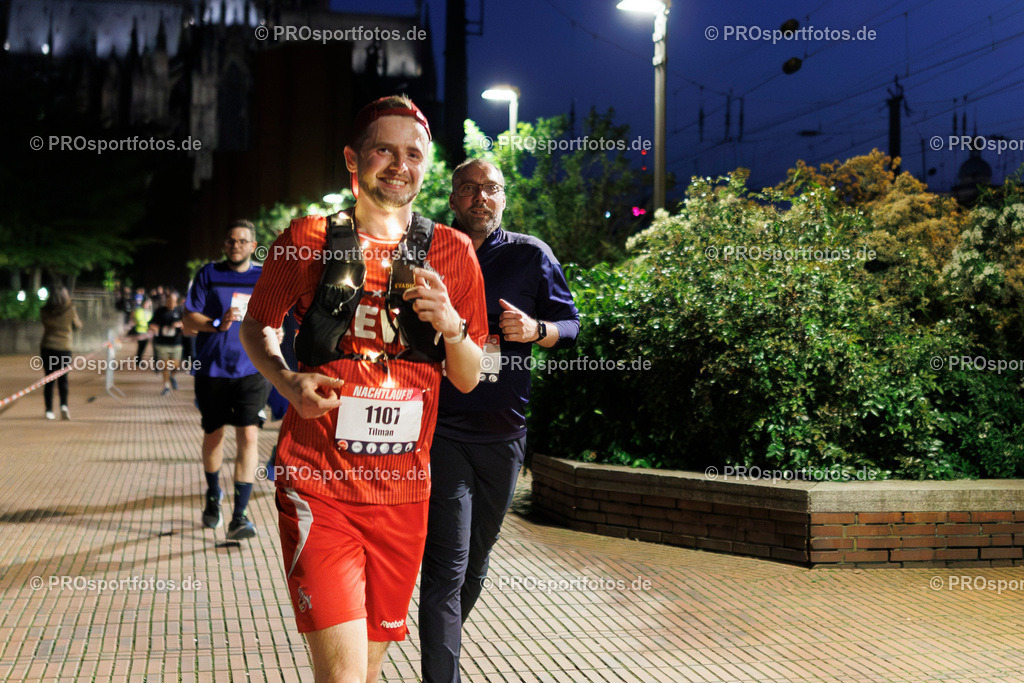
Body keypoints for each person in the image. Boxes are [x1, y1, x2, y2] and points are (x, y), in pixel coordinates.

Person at [239, 95, 487, 683]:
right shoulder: (307, 238)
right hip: (318, 487)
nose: (400, 165)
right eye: (384, 151)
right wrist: (287, 380)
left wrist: (452, 325)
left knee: (365, 672)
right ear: (353, 158)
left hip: (404, 498)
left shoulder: (454, 252)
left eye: (413, 155)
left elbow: (468, 375)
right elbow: (257, 325)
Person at [419, 159, 580, 683]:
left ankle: (441, 648)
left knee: (476, 561)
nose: (479, 197)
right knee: (447, 565)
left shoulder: (531, 254)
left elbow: (571, 325)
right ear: (452, 198)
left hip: (505, 432)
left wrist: (536, 330)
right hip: (441, 428)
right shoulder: (428, 251)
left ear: (503, 197)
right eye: (468, 188)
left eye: (490, 188)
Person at [183, 220, 272, 540]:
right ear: (225, 244)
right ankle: (212, 495)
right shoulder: (208, 274)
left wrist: (276, 333)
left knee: (249, 436)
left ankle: (239, 516)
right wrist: (217, 324)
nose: (236, 245)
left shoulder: (263, 277)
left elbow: (276, 316)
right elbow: (188, 318)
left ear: (253, 246)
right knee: (214, 435)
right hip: (212, 370)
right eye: (231, 240)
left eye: (242, 241)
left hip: (252, 369)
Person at [39, 286, 83, 420]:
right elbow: (78, 326)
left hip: (47, 346)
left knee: (49, 378)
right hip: (64, 347)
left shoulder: (45, 310)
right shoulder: (70, 310)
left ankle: (49, 410)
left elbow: (44, 323)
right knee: (63, 379)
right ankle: (64, 406)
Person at [150, 291, 184, 395]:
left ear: (176, 302)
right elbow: (152, 323)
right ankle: (166, 386)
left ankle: (172, 376)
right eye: (169, 301)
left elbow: (186, 323)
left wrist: (180, 324)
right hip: (162, 343)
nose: (171, 303)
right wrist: (155, 328)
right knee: (165, 365)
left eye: (173, 301)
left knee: (175, 365)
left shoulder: (180, 311)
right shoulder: (160, 311)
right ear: (166, 301)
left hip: (176, 343)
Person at [131, 297, 153, 364]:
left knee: (143, 346)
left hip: (146, 332)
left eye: (147, 304)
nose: (146, 305)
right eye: (145, 303)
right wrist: (146, 325)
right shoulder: (139, 311)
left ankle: (139, 359)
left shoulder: (150, 312)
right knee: (140, 346)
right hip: (140, 331)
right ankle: (138, 360)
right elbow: (138, 319)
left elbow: (151, 321)